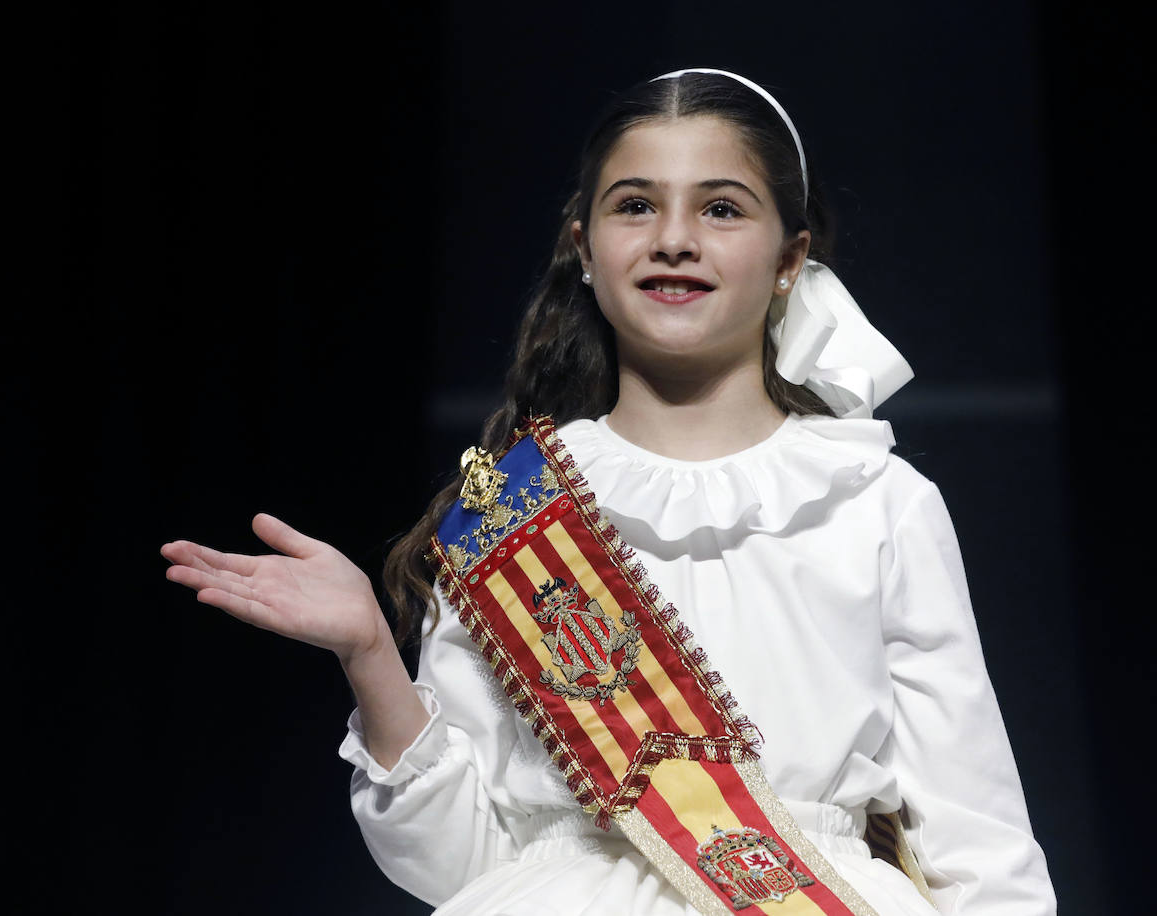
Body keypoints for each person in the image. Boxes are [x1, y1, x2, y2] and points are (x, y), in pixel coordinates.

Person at [161, 69, 1056, 915]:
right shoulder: (510, 513)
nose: (675, 237)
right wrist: (369, 656)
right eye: (636, 205)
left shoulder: (876, 499)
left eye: (720, 207)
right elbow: (455, 866)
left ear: (791, 257)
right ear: (584, 247)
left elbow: (979, 840)